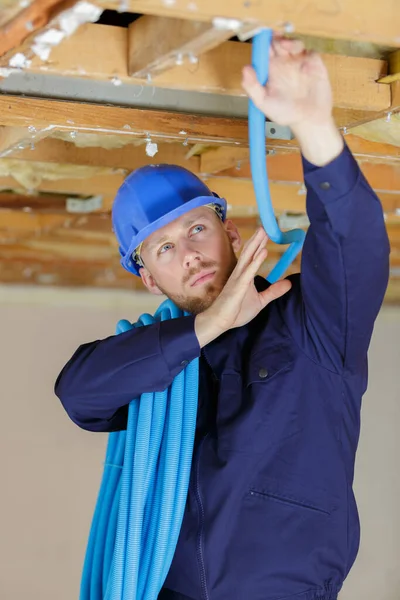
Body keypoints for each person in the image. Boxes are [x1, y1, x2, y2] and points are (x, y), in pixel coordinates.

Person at [55, 37, 390, 600]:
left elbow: (355, 243)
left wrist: (314, 126)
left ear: (229, 234)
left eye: (195, 230)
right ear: (149, 280)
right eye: (162, 250)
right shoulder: (154, 361)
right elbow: (78, 394)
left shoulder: (312, 321)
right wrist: (206, 330)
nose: (187, 253)